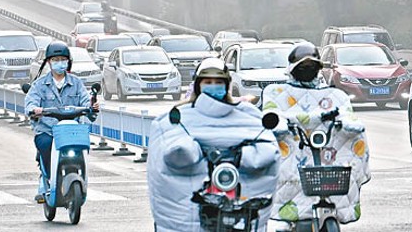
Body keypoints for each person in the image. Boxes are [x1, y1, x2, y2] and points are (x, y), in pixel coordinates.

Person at [148, 57, 280, 232]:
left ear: (227, 85)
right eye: (208, 82)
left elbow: (268, 146)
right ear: (197, 85)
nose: (213, 86)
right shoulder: (178, 116)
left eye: (218, 82)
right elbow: (168, 148)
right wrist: (186, 153)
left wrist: (247, 156)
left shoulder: (248, 115)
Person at [262, 42, 371, 230]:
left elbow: (346, 114)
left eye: (311, 67)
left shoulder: (336, 95)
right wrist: (277, 123)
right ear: (292, 69)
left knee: (357, 140)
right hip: (293, 153)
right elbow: (270, 115)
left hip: (326, 154)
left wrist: (350, 124)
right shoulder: (276, 93)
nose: (307, 70)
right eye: (302, 67)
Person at [25, 41, 99, 202]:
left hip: (71, 132)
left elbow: (87, 102)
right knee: (45, 144)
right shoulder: (39, 85)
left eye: (63, 59)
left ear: (68, 61)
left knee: (83, 147)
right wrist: (34, 109)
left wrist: (92, 106)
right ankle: (46, 180)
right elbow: (30, 103)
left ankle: (81, 177)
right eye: (55, 59)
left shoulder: (77, 83)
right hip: (47, 131)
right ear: (49, 62)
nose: (60, 63)